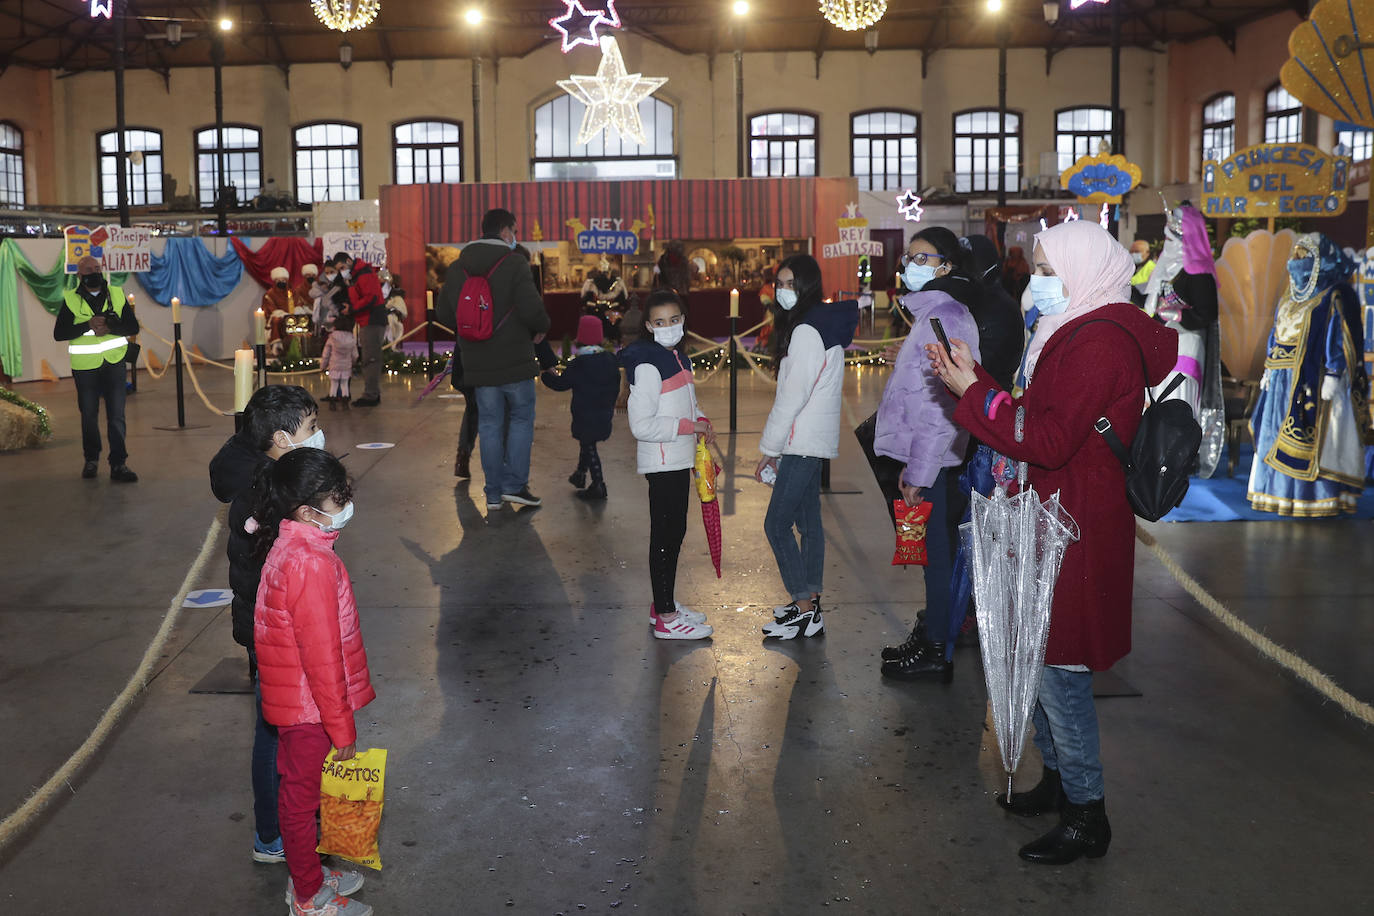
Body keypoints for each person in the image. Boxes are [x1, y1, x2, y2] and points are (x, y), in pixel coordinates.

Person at [929, 219, 1176, 865]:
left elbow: (1047, 440)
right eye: (1035, 268)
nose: (1034, 280)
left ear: (1082, 270)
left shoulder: (1099, 342)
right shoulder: (1072, 330)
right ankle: (1061, 783)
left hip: (1077, 526)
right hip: (1054, 514)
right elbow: (1041, 416)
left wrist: (972, 392)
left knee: (1059, 667)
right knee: (1037, 650)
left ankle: (1087, 814)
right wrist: (975, 378)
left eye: (1045, 268)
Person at [252, 448, 375, 916]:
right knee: (301, 801)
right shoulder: (311, 563)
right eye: (336, 497)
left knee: (304, 793)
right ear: (307, 510)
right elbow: (322, 658)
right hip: (309, 708)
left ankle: (308, 874)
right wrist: (340, 725)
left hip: (298, 701)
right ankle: (307, 896)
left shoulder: (295, 545)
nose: (344, 503)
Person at [208, 384, 322, 867]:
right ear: (280, 438)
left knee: (278, 729)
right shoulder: (273, 494)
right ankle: (276, 834)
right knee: (277, 732)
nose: (319, 436)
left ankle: (282, 827)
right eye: (311, 429)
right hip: (279, 632)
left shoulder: (267, 472)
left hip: (269, 626)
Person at [872, 228, 981, 680]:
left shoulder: (946, 318)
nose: (911, 266)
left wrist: (918, 470)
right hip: (925, 457)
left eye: (923, 258)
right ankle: (934, 633)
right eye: (909, 258)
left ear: (947, 266)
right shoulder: (930, 315)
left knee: (936, 555)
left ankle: (937, 649)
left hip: (933, 459)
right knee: (929, 553)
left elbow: (942, 407)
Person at [754, 255, 859, 640]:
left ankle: (802, 606)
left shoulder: (805, 331)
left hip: (801, 440)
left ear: (807, 286)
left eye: (790, 284)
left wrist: (770, 447)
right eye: (779, 283)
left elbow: (792, 397)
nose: (783, 291)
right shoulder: (820, 323)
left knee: (776, 524)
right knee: (809, 523)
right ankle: (810, 604)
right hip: (813, 438)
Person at [437, 208, 551, 511]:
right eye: (514, 230)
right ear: (504, 231)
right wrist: (540, 328)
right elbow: (531, 309)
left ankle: (493, 493)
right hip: (515, 360)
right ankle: (515, 486)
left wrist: (472, 330)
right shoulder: (514, 264)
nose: (516, 236)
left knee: (488, 424)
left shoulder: (457, 267)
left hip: (477, 362)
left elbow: (445, 314)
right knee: (521, 420)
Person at [1248, 233, 1369, 516]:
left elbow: (1340, 334)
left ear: (1320, 260)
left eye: (1304, 257)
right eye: (1295, 256)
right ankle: (1276, 494)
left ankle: (1314, 497)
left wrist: (1334, 371)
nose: (1296, 262)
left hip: (1315, 378)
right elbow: (1275, 333)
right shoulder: (1289, 294)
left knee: (1319, 439)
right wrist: (1268, 366)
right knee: (1271, 437)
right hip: (1280, 379)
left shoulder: (1336, 293)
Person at [621, 288, 716, 639]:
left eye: (674, 320)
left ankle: (664, 605)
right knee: (665, 536)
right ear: (648, 325)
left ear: (683, 320)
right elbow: (641, 425)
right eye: (660, 322)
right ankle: (665, 615)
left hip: (679, 457)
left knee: (674, 533)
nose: (668, 327)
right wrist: (690, 427)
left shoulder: (679, 357)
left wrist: (701, 419)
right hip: (663, 461)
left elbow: (686, 403)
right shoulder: (648, 364)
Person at [1144, 203, 1225, 477]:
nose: (1168, 243)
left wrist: (1177, 316)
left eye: (1173, 238)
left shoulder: (1199, 272)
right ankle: (1157, 451)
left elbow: (1207, 314)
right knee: (1158, 394)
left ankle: (1180, 455)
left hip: (1187, 344)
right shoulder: (1164, 269)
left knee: (1179, 396)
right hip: (1162, 341)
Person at [53, 255, 139, 482]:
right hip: (85, 368)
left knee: (117, 417)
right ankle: (91, 460)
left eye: (97, 268)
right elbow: (59, 333)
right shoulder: (71, 299)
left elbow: (132, 326)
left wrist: (110, 326)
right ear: (80, 275)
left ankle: (119, 464)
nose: (95, 272)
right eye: (89, 269)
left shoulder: (117, 294)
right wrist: (86, 326)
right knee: (89, 416)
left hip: (114, 363)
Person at [541, 314, 621, 501]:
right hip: (604, 412)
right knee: (587, 443)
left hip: (585, 414)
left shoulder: (579, 364)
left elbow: (561, 384)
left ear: (580, 338)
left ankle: (598, 485)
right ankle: (579, 474)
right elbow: (616, 382)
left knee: (588, 445)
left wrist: (546, 375)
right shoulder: (610, 360)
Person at [344, 258, 386, 407]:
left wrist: (353, 309)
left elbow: (371, 298)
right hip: (367, 320)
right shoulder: (358, 276)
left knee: (371, 359)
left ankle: (371, 394)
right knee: (369, 358)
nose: (342, 271)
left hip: (372, 320)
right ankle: (372, 392)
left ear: (349, 261)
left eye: (343, 267)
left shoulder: (364, 275)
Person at [321, 314, 358, 410]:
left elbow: (326, 354)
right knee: (344, 384)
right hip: (346, 366)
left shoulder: (332, 338)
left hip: (334, 365)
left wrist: (323, 366)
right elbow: (355, 355)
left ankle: (332, 404)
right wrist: (353, 362)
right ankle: (345, 404)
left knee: (334, 384)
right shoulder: (351, 338)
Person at [263, 267, 294, 349]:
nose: (281, 282)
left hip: (291, 317)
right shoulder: (269, 294)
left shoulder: (291, 292)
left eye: (283, 280)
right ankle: (277, 345)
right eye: (279, 280)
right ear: (275, 281)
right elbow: (270, 309)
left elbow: (296, 305)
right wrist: (283, 314)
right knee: (276, 321)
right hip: (277, 317)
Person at [1128, 239, 1155, 308]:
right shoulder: (1130, 267)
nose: (1133, 254)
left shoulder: (1153, 270)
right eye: (1131, 252)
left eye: (1137, 252)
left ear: (1147, 252)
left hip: (1145, 315)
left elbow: (1145, 300)